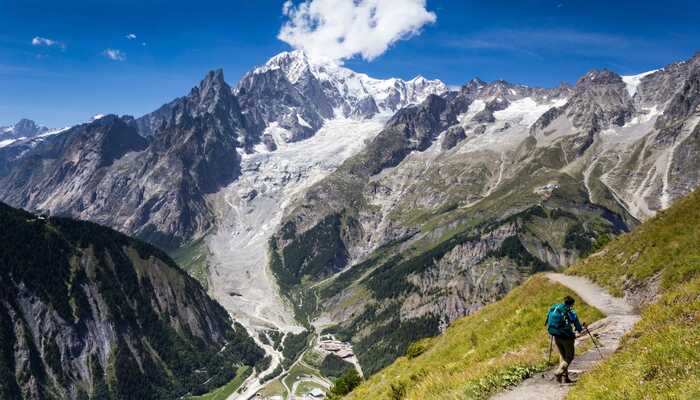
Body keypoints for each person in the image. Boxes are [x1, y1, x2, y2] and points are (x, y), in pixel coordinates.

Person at [545, 295, 584, 383]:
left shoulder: (556, 308)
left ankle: (565, 379)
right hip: (566, 337)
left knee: (563, 356)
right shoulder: (571, 312)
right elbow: (578, 327)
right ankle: (558, 372)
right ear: (572, 304)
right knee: (569, 356)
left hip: (556, 336)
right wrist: (581, 329)